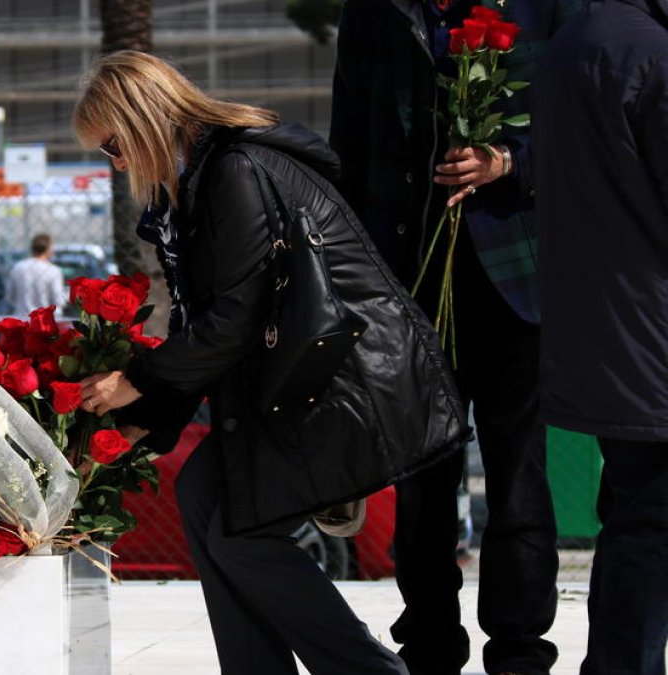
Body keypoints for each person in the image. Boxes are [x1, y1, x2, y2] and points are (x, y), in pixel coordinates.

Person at [72, 50, 466, 674]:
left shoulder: (235, 170)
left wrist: (138, 383)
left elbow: (236, 317)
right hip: (300, 380)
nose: (114, 163)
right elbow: (208, 319)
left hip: (343, 380)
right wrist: (154, 411)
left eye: (113, 144)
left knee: (241, 531)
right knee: (204, 495)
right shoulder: (197, 181)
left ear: (146, 119)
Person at [329, 2, 582, 672]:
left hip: (515, 276)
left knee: (518, 471)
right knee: (424, 478)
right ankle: (430, 644)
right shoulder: (374, 10)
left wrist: (509, 163)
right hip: (411, 273)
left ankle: (521, 650)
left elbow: (582, 115)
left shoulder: (544, 7)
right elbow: (350, 142)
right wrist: (355, 282)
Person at [532, 1, 668, 672]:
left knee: (634, 511)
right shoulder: (651, 53)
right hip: (652, 329)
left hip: (610, 326)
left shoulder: (572, 42)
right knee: (650, 523)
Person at [4, 232, 67, 315]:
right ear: (48, 249)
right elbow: (58, 300)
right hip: (43, 320)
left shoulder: (18, 267)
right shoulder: (53, 270)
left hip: (21, 318)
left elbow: (10, 297)